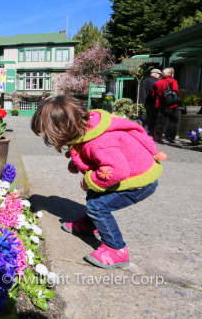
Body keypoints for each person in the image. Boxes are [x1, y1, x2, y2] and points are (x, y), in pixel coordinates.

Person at [31, 95, 165, 269]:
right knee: (96, 193)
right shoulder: (87, 126)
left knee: (98, 206)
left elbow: (117, 169)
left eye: (50, 135)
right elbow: (92, 154)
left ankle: (116, 249)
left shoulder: (98, 143)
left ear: (61, 128)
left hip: (139, 181)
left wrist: (89, 180)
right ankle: (89, 224)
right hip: (128, 169)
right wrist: (77, 162)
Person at [152, 68, 180, 144]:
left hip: (160, 105)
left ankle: (157, 138)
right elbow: (176, 91)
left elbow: (153, 94)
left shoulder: (157, 82)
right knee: (174, 120)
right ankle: (168, 137)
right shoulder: (172, 81)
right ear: (171, 74)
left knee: (160, 122)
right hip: (171, 104)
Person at [139, 69, 162, 136]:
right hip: (153, 102)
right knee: (153, 118)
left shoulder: (144, 81)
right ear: (156, 74)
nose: (159, 76)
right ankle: (147, 132)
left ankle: (149, 132)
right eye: (159, 74)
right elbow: (154, 92)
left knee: (149, 116)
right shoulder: (155, 81)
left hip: (145, 102)